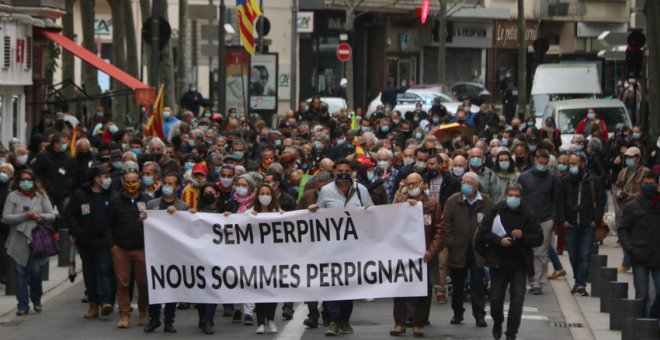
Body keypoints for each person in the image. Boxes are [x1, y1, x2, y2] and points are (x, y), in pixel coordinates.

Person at [308, 158, 373, 336]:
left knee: (348, 285)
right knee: (331, 283)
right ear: (334, 172)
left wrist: (369, 209)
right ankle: (334, 321)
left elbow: (372, 213)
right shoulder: (326, 191)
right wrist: (314, 209)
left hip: (353, 247)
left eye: (347, 170)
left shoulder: (361, 190)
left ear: (352, 172)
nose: (343, 173)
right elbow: (318, 214)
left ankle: (344, 319)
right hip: (330, 247)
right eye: (339, 170)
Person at [475, 184, 543, 340]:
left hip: (519, 265)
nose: (513, 198)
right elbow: (483, 234)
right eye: (511, 195)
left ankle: (511, 333)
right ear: (506, 196)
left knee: (517, 301)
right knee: (495, 301)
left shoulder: (528, 214)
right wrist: (499, 241)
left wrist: (523, 235)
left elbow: (538, 238)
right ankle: (498, 322)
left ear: (521, 197)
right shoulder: (495, 211)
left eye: (517, 196)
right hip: (499, 264)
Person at [389, 173, 443, 338]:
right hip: (403, 254)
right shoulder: (399, 201)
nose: (411, 187)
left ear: (422, 184)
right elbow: (390, 224)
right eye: (408, 184)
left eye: (414, 184)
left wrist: (431, 252)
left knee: (424, 289)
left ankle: (419, 323)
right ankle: (399, 323)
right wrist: (406, 205)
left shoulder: (432, 204)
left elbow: (440, 230)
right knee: (400, 289)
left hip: (424, 254)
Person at [442, 171, 493, 328]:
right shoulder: (453, 200)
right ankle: (457, 313)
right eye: (464, 182)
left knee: (478, 284)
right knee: (458, 285)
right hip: (458, 249)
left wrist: (486, 243)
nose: (465, 185)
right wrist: (451, 242)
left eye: (469, 183)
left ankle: (479, 315)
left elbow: (491, 223)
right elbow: (446, 224)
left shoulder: (486, 201)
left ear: (476, 186)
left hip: (477, 250)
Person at [2, 170, 56, 315]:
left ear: (33, 181)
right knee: (20, 274)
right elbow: (6, 218)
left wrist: (38, 216)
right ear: (18, 182)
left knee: (36, 272)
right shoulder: (12, 196)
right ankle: (22, 305)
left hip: (37, 240)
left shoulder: (41, 196)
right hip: (18, 240)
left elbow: (52, 216)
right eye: (23, 179)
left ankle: (36, 299)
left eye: (28, 179)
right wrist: (24, 215)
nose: (26, 182)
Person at [64, 165, 115, 319]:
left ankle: (106, 301)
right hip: (86, 241)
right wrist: (78, 232)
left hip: (105, 241)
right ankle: (93, 304)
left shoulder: (111, 195)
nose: (107, 179)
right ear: (96, 178)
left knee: (104, 269)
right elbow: (70, 215)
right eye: (104, 176)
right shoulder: (80, 194)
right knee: (89, 272)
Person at [143, 172, 189, 333]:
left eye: (171, 184)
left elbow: (186, 228)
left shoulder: (182, 206)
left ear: (177, 187)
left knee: (172, 286)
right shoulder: (152, 204)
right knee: (154, 285)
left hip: (173, 253)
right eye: (166, 183)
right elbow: (144, 224)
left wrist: (177, 213)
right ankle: (153, 319)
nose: (167, 186)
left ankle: (169, 320)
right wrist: (142, 217)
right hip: (155, 251)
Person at [106, 167, 150, 328]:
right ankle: (124, 314)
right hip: (121, 249)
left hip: (142, 248)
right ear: (123, 183)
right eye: (128, 181)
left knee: (143, 282)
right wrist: (112, 246)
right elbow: (109, 225)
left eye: (134, 181)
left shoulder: (146, 200)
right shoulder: (115, 200)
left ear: (139, 182)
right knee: (122, 282)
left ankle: (143, 312)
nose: (131, 184)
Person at [557, 154, 606, 296]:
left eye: (574, 163)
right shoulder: (565, 181)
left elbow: (601, 201)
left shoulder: (593, 180)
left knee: (584, 255)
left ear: (583, 164)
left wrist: (596, 220)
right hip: (570, 224)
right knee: (573, 254)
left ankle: (580, 284)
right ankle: (578, 280)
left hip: (587, 223)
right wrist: (562, 219)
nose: (571, 166)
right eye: (569, 164)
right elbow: (560, 202)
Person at [516, 149, 559, 295]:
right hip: (527, 219)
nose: (543, 166)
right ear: (535, 160)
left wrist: (553, 218)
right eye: (541, 163)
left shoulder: (552, 179)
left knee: (541, 252)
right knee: (528, 251)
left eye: (545, 164)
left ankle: (537, 282)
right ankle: (530, 277)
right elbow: (518, 197)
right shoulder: (523, 177)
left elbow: (555, 199)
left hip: (546, 219)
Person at [617, 172, 660, 319]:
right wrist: (630, 249)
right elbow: (622, 229)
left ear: (657, 185)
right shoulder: (632, 206)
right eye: (646, 183)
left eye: (651, 184)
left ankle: (654, 323)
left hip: (658, 256)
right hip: (639, 256)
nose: (648, 186)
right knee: (642, 295)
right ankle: (643, 328)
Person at [248, 184, 282, 334]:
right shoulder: (250, 213)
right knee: (260, 291)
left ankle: (271, 319)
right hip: (256, 259)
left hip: (274, 259)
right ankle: (260, 322)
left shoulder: (279, 212)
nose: (265, 196)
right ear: (257, 196)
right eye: (262, 193)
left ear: (272, 196)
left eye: (268, 193)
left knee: (273, 290)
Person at [613, 147, 650, 273]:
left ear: (638, 158)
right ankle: (626, 262)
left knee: (637, 236)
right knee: (625, 235)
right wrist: (618, 193)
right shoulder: (623, 172)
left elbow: (648, 190)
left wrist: (631, 196)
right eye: (627, 157)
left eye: (631, 157)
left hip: (640, 209)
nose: (629, 159)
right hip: (625, 208)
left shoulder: (645, 172)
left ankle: (632, 261)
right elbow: (617, 185)